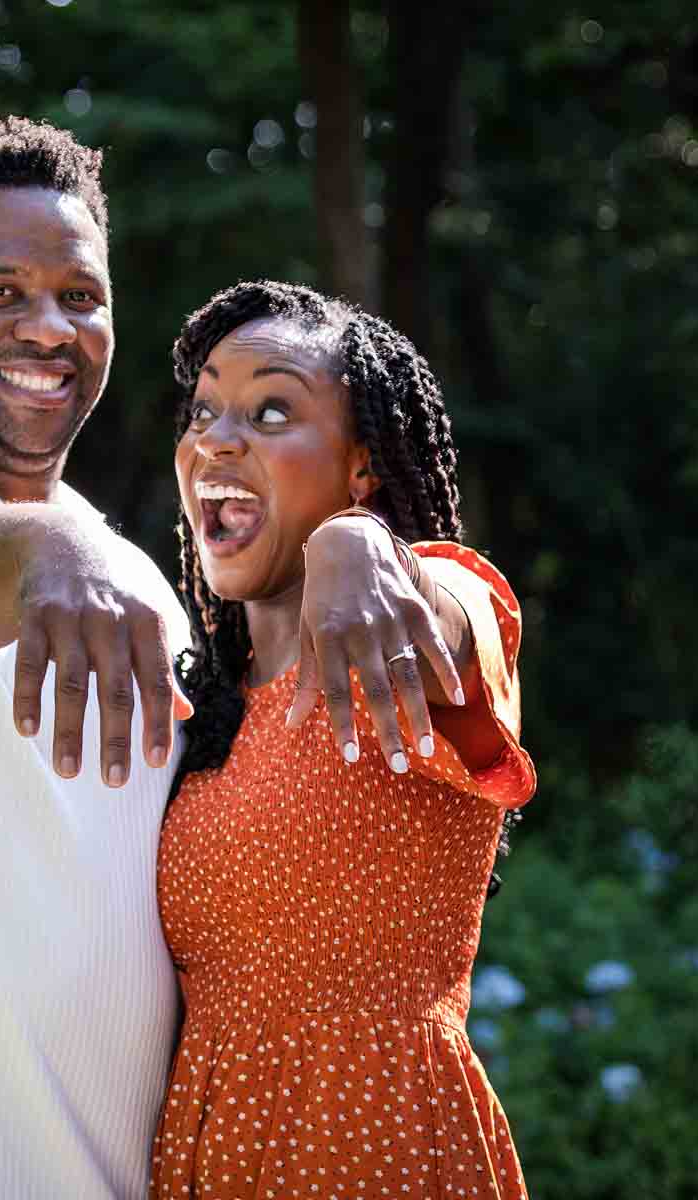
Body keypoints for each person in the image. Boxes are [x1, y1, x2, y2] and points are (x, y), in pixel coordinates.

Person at [0, 121, 439, 1199]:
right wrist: (45, 545)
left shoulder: (143, 590)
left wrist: (353, 533)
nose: (48, 327)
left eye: (80, 297)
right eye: (0, 293)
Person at [149, 281, 537, 1200]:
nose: (216, 437)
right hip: (207, 1159)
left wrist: (361, 543)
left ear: (362, 466)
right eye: (204, 409)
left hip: (381, 1151)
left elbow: (466, 612)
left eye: (270, 409)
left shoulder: (406, 644)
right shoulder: (201, 712)